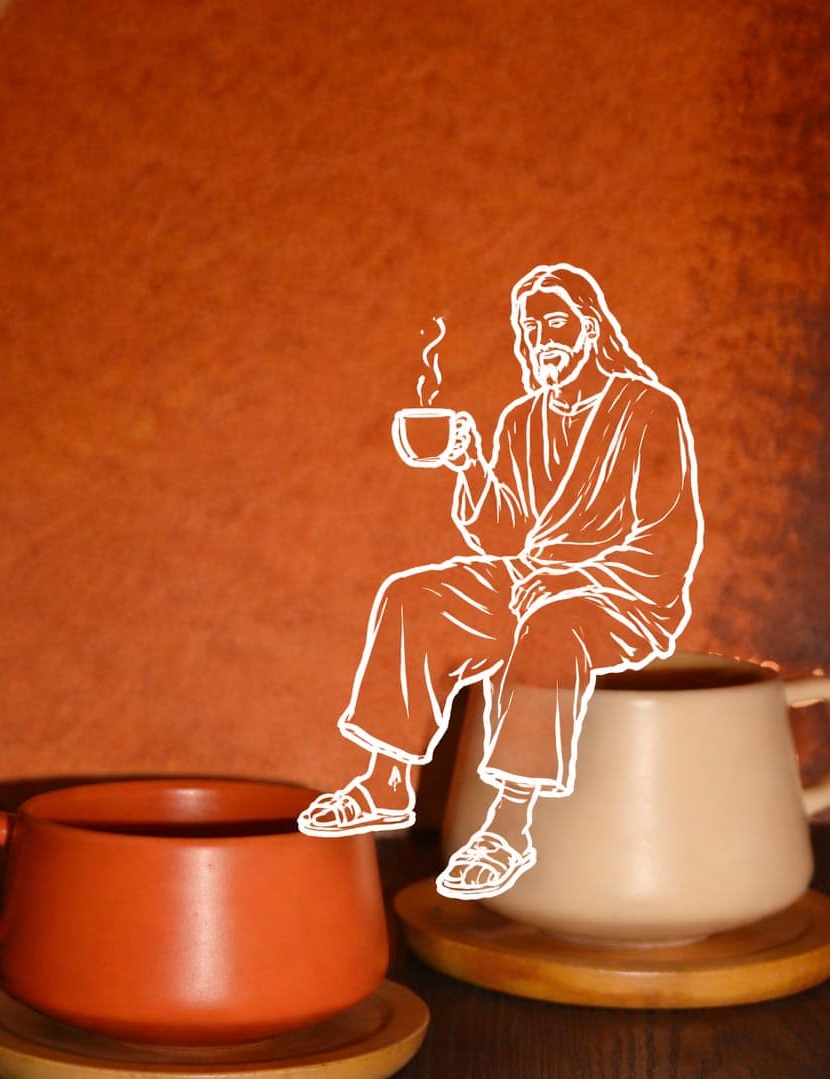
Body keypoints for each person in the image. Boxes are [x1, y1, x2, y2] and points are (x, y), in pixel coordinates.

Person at [299, 263, 704, 899]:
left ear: (591, 328)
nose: (540, 338)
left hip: (620, 596)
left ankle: (507, 827)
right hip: (525, 582)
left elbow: (665, 539)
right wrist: (469, 463)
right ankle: (385, 779)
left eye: (555, 323)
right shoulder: (522, 420)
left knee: (549, 624)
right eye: (529, 327)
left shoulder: (648, 410)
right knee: (414, 595)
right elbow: (504, 538)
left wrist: (573, 579)